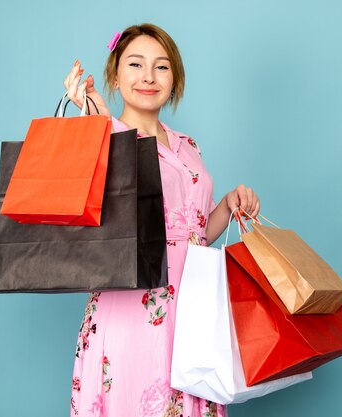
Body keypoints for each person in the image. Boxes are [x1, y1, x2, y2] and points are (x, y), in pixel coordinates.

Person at [63, 23, 260, 417]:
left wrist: (228, 202)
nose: (148, 76)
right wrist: (91, 124)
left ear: (175, 78)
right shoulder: (105, 134)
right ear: (115, 76)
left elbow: (195, 232)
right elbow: (88, 208)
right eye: (135, 64)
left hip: (193, 309)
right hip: (132, 307)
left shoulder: (188, 145)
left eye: (161, 66)